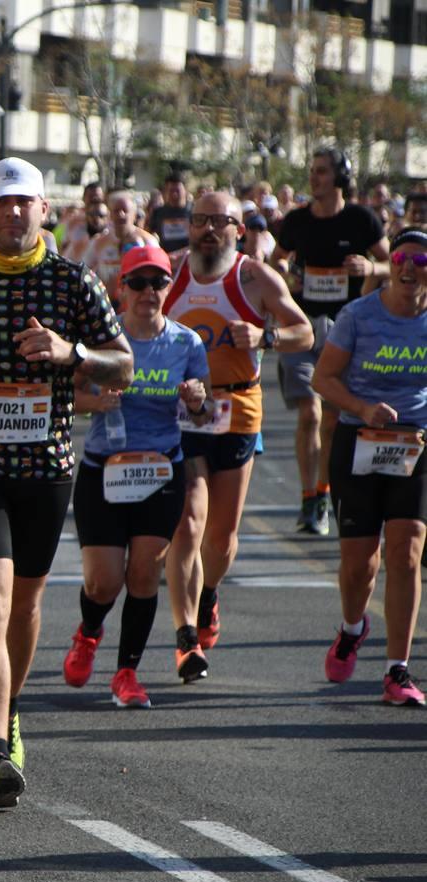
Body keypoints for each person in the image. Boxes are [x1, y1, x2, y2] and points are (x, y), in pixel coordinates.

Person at [0, 157, 133, 811]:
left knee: (27, 605)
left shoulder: (74, 282)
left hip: (45, 469)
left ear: (45, 210)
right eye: (1, 203)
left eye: (25, 203)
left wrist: (73, 355)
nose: (13, 213)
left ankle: (9, 711)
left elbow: (122, 364)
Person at [163, 191, 312, 681]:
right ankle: (186, 637)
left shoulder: (254, 277)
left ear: (238, 229)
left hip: (238, 407)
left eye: (219, 221)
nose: (208, 229)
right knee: (189, 520)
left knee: (222, 538)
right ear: (189, 225)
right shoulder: (172, 271)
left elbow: (304, 332)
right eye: (200, 220)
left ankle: (207, 596)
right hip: (184, 412)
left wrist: (264, 337)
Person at [63, 246, 211, 708]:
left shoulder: (186, 344)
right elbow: (64, 399)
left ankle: (127, 672)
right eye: (138, 283)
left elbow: (205, 417)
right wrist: (94, 402)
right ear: (120, 289)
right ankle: (88, 633)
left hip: (160, 470)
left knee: (145, 573)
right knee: (104, 581)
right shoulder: (99, 340)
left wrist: (196, 401)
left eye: (158, 283)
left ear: (170, 288)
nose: (149, 292)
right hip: (103, 471)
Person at [311, 228, 427, 706]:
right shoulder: (358, 316)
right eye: (401, 256)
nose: (409, 267)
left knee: (406, 553)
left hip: (414, 446)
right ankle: (352, 627)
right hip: (359, 440)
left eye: (421, 260)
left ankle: (397, 669)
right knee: (361, 564)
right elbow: (323, 379)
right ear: (390, 262)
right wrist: (362, 407)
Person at [272, 148, 389, 535]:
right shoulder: (297, 220)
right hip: (303, 326)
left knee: (335, 418)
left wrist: (370, 268)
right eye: (312, 171)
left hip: (347, 327)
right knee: (310, 412)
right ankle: (311, 499)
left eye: (321, 172)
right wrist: (289, 278)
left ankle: (324, 492)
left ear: (340, 177)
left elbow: (394, 262)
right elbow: (277, 260)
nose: (314, 178)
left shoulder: (360, 219)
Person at [84, 190, 159, 307]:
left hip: (137, 307)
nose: (121, 214)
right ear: (110, 215)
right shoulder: (98, 242)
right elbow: (83, 271)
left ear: (134, 214)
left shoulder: (148, 242)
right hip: (106, 306)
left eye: (125, 210)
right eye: (116, 211)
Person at [149, 173, 193, 254]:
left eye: (177, 191)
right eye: (171, 191)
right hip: (165, 258)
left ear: (185, 191)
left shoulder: (194, 211)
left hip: (188, 258)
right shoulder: (158, 213)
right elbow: (151, 235)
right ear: (165, 192)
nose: (174, 194)